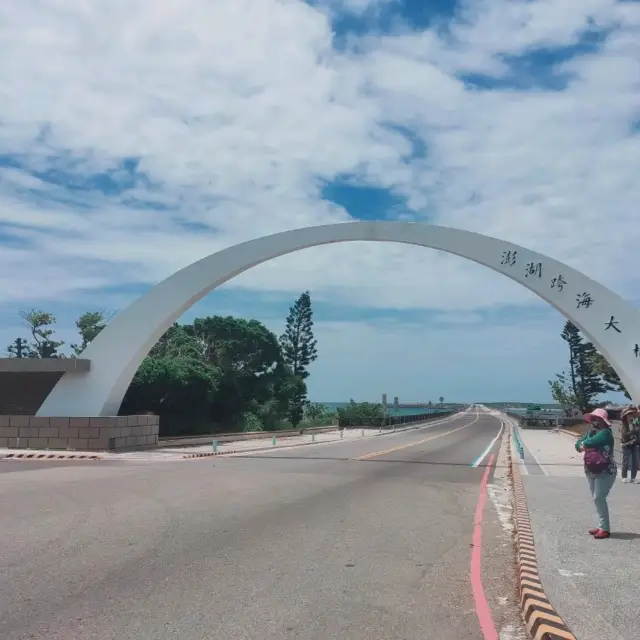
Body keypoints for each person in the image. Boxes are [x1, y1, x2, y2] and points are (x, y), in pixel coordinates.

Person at [575, 407, 617, 539]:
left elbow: (588, 443)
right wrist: (585, 445)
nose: (594, 421)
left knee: (598, 497)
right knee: (596, 499)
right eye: (592, 419)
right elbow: (578, 445)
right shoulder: (591, 432)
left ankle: (605, 528)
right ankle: (601, 526)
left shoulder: (605, 433)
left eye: (596, 419)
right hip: (591, 469)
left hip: (605, 470)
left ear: (602, 420)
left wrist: (586, 445)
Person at [620, 406, 639, 483]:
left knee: (635, 461)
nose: (631, 415)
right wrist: (633, 431)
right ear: (626, 415)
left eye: (632, 414)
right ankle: (624, 476)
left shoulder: (635, 422)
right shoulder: (624, 424)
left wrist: (636, 429)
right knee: (626, 461)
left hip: (635, 444)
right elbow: (624, 435)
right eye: (629, 414)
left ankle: (633, 478)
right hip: (626, 444)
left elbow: (637, 431)